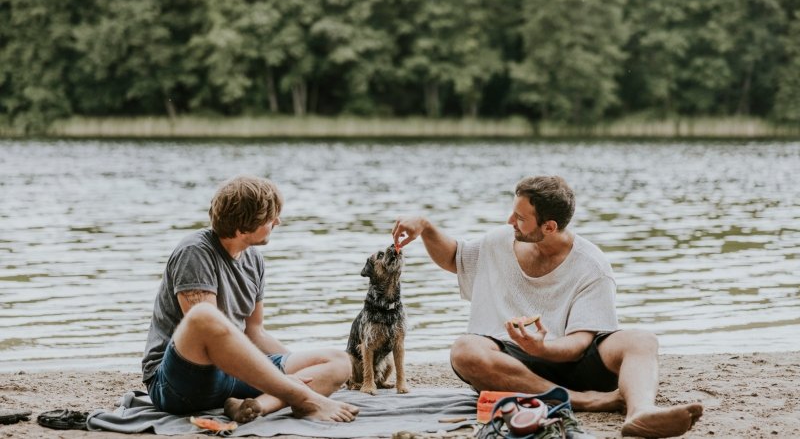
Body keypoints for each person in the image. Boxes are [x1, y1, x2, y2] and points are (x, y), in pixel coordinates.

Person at [392, 175, 703, 438]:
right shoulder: (499, 242)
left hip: (574, 360)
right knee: (465, 350)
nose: (509, 221)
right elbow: (454, 258)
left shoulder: (592, 266)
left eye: (520, 218)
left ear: (550, 227)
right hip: (513, 365)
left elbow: (580, 343)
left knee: (641, 339)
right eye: (513, 212)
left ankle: (641, 411)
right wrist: (427, 228)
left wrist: (542, 347)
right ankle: (585, 402)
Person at [142, 175, 359, 423]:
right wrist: (290, 384)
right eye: (271, 217)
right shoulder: (194, 252)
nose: (278, 221)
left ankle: (256, 406)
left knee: (338, 361)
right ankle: (301, 398)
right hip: (177, 383)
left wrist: (302, 373)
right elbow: (206, 332)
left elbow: (255, 332)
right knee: (204, 316)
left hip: (232, 377)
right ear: (243, 226)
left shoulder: (253, 258)